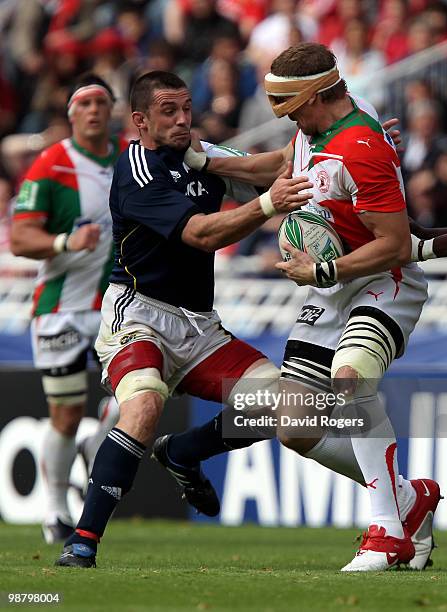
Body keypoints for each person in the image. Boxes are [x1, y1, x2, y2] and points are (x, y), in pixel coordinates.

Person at [168, 42, 442, 572]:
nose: (287, 117)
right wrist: (206, 157)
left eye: (291, 105)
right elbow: (281, 163)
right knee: (295, 425)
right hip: (329, 291)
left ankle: (387, 530)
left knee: (351, 379)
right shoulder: (312, 131)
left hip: (381, 281)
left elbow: (394, 242)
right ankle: (410, 499)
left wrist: (321, 270)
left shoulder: (363, 146)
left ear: (317, 93)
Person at [54, 70, 313, 568]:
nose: (181, 120)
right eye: (168, 112)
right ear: (140, 121)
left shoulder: (201, 155)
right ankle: (82, 540)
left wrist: (348, 140)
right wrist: (265, 205)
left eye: (186, 109)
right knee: (145, 405)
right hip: (139, 315)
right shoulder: (137, 166)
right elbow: (200, 235)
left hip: (200, 326)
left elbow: (279, 165)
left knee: (283, 406)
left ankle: (184, 452)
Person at [10, 74, 124, 543]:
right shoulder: (52, 165)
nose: (94, 110)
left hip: (117, 307)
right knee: (64, 414)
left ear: (112, 109)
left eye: (102, 102)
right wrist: (64, 241)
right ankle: (55, 509)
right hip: (61, 310)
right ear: (72, 113)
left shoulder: (132, 158)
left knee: (137, 396)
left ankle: (99, 442)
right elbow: (19, 237)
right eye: (85, 103)